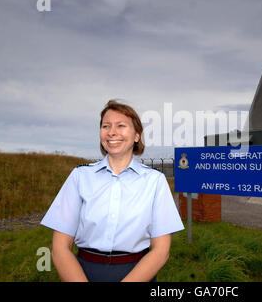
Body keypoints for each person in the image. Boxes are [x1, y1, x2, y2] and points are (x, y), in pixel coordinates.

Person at [40, 99, 184, 282]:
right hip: (82, 273)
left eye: (121, 126)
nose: (112, 132)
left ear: (137, 136)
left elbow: (161, 251)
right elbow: (60, 248)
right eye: (106, 126)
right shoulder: (80, 176)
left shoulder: (155, 181)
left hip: (138, 273)